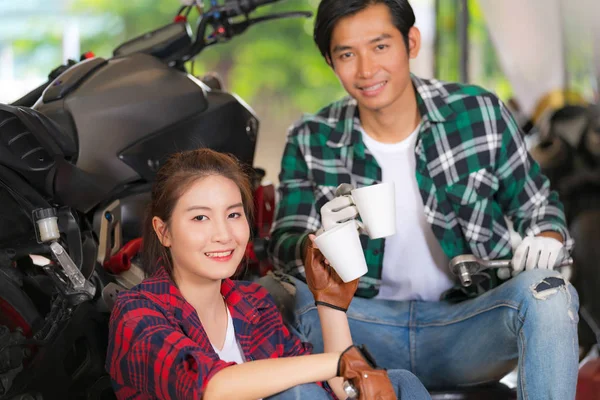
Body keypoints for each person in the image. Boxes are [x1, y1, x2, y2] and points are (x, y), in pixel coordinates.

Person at [268, 1, 580, 399]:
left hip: (466, 324)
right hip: (364, 328)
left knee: (549, 294)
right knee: (280, 300)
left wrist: (548, 237)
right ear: (331, 61)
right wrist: (317, 240)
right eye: (347, 54)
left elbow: (538, 207)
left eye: (380, 46)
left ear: (411, 42)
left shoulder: (477, 112)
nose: (366, 70)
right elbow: (282, 247)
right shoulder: (311, 138)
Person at [105, 148, 431, 399]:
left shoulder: (253, 304)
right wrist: (343, 361)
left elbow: (333, 388)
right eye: (200, 218)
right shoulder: (137, 312)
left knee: (399, 382)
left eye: (233, 214)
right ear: (164, 232)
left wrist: (330, 303)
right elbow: (209, 388)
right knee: (296, 393)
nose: (223, 234)